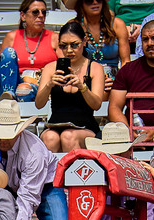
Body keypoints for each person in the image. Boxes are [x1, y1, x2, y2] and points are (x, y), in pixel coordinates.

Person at [36, 21, 105, 153]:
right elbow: (39, 104)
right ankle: (52, 174)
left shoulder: (94, 68)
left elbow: (96, 105)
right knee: (50, 137)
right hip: (56, 124)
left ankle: (72, 174)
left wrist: (82, 87)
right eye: (63, 46)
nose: (69, 50)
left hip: (85, 126)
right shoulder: (51, 68)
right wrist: (49, 84)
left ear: (84, 42)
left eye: (74, 45)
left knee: (68, 136)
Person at [0, 0, 60, 102]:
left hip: (43, 85)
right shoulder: (11, 37)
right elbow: (2, 76)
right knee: (8, 52)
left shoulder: (54, 38)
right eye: (35, 12)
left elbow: (62, 68)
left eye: (43, 12)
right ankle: (9, 96)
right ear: (23, 16)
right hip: (13, 84)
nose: (41, 15)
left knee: (23, 90)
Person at [72, 0, 130, 85]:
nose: (95, 2)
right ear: (81, 3)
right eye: (89, 0)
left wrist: (119, 82)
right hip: (84, 80)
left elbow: (125, 61)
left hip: (114, 81)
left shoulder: (117, 24)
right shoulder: (73, 26)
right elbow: (70, 59)